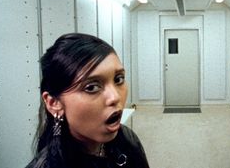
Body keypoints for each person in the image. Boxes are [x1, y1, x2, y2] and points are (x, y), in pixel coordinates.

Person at [26, 33, 150, 168]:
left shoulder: (128, 138)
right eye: (91, 87)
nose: (115, 97)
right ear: (54, 103)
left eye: (118, 79)